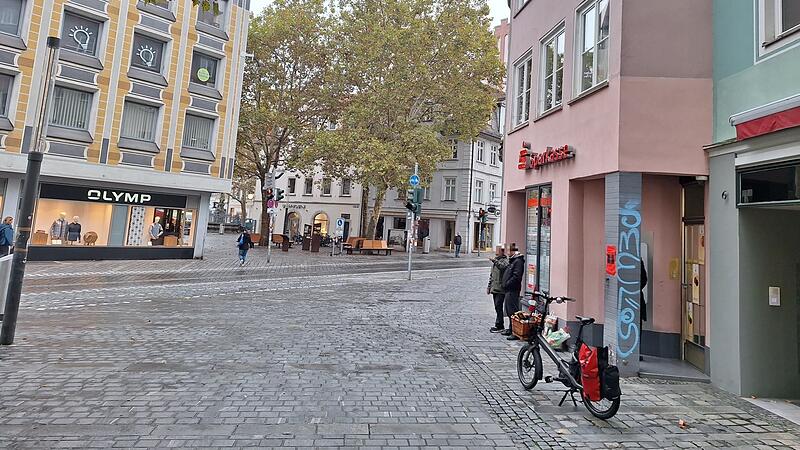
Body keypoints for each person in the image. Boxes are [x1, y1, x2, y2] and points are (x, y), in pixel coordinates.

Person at [501, 243, 525, 340]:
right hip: (509, 289)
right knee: (509, 310)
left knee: (513, 311)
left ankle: (515, 331)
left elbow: (516, 276)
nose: (507, 253)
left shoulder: (518, 261)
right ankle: (511, 329)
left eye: (508, 251)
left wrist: (507, 284)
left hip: (513, 289)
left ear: (512, 251)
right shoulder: (513, 260)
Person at [487, 246, 509, 333]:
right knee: (497, 307)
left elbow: (502, 267)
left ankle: (500, 325)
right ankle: (498, 324)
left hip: (500, 288)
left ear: (502, 252)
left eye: (498, 251)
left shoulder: (505, 261)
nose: (496, 253)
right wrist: (489, 286)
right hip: (494, 287)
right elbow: (492, 275)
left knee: (498, 306)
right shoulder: (496, 262)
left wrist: (494, 261)